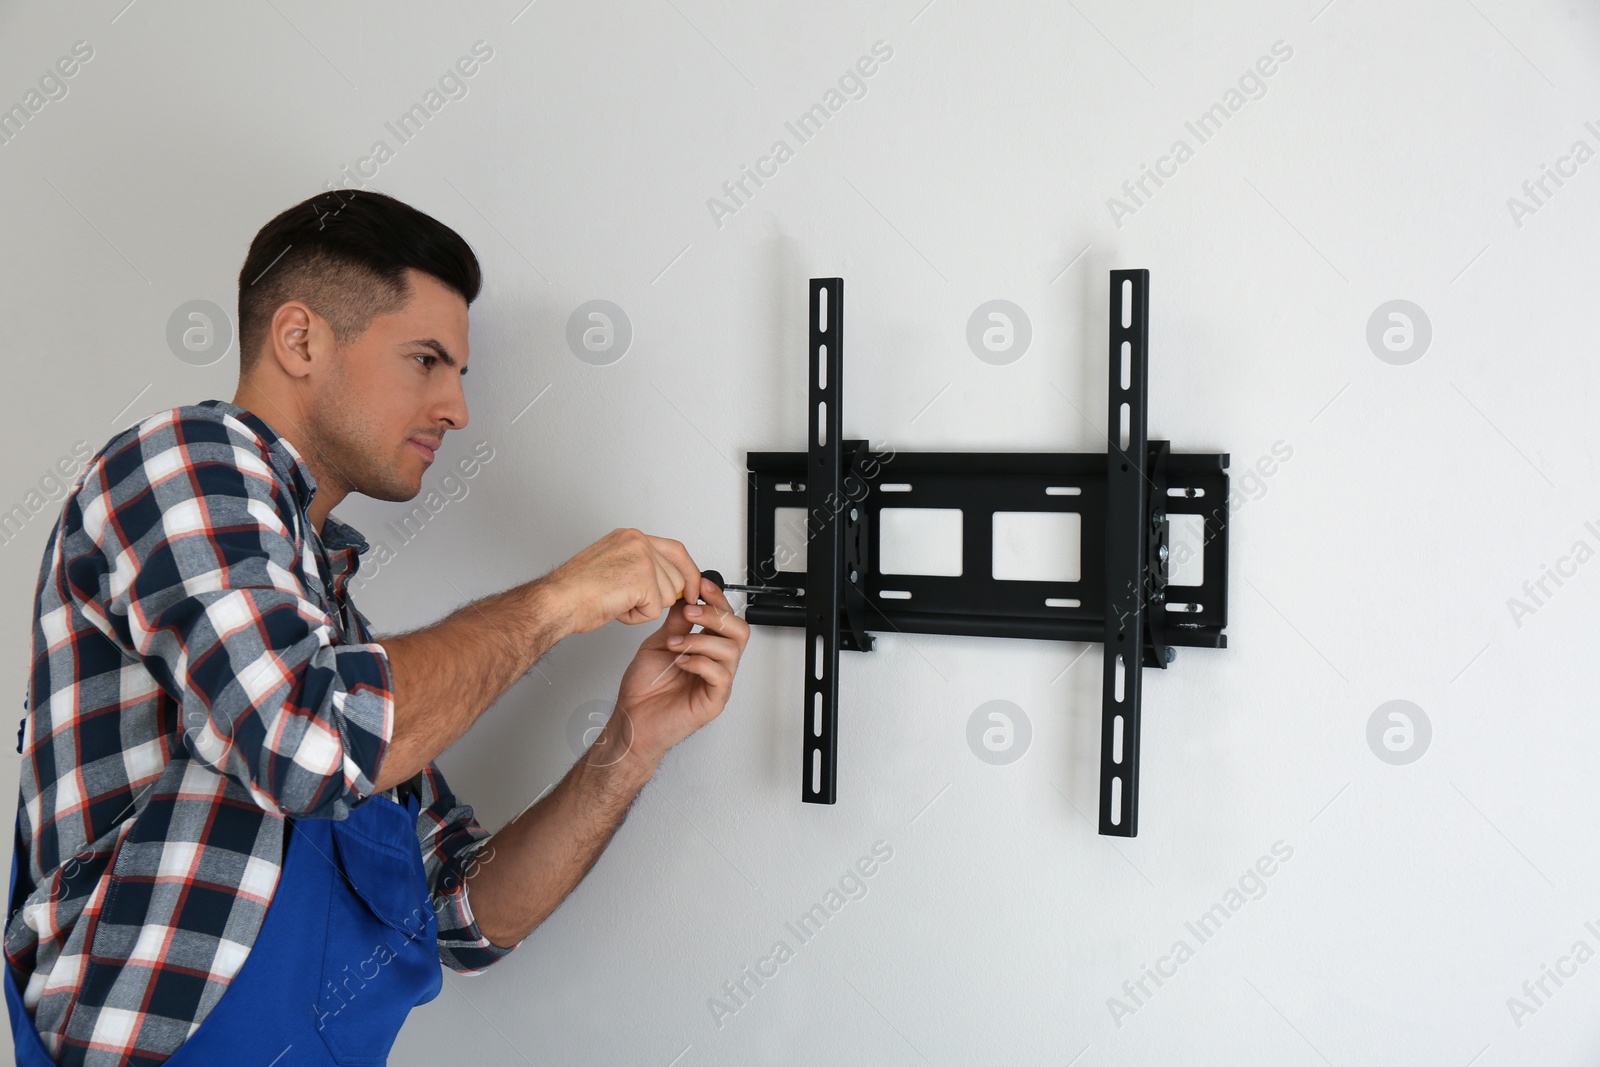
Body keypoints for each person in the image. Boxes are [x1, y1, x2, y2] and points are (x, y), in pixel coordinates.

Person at [3, 188, 750, 1066]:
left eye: (459, 373)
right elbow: (306, 742)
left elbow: (461, 914)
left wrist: (631, 741)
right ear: (301, 340)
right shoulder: (179, 464)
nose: (456, 407)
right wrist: (559, 600)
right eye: (426, 360)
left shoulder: (327, 625)